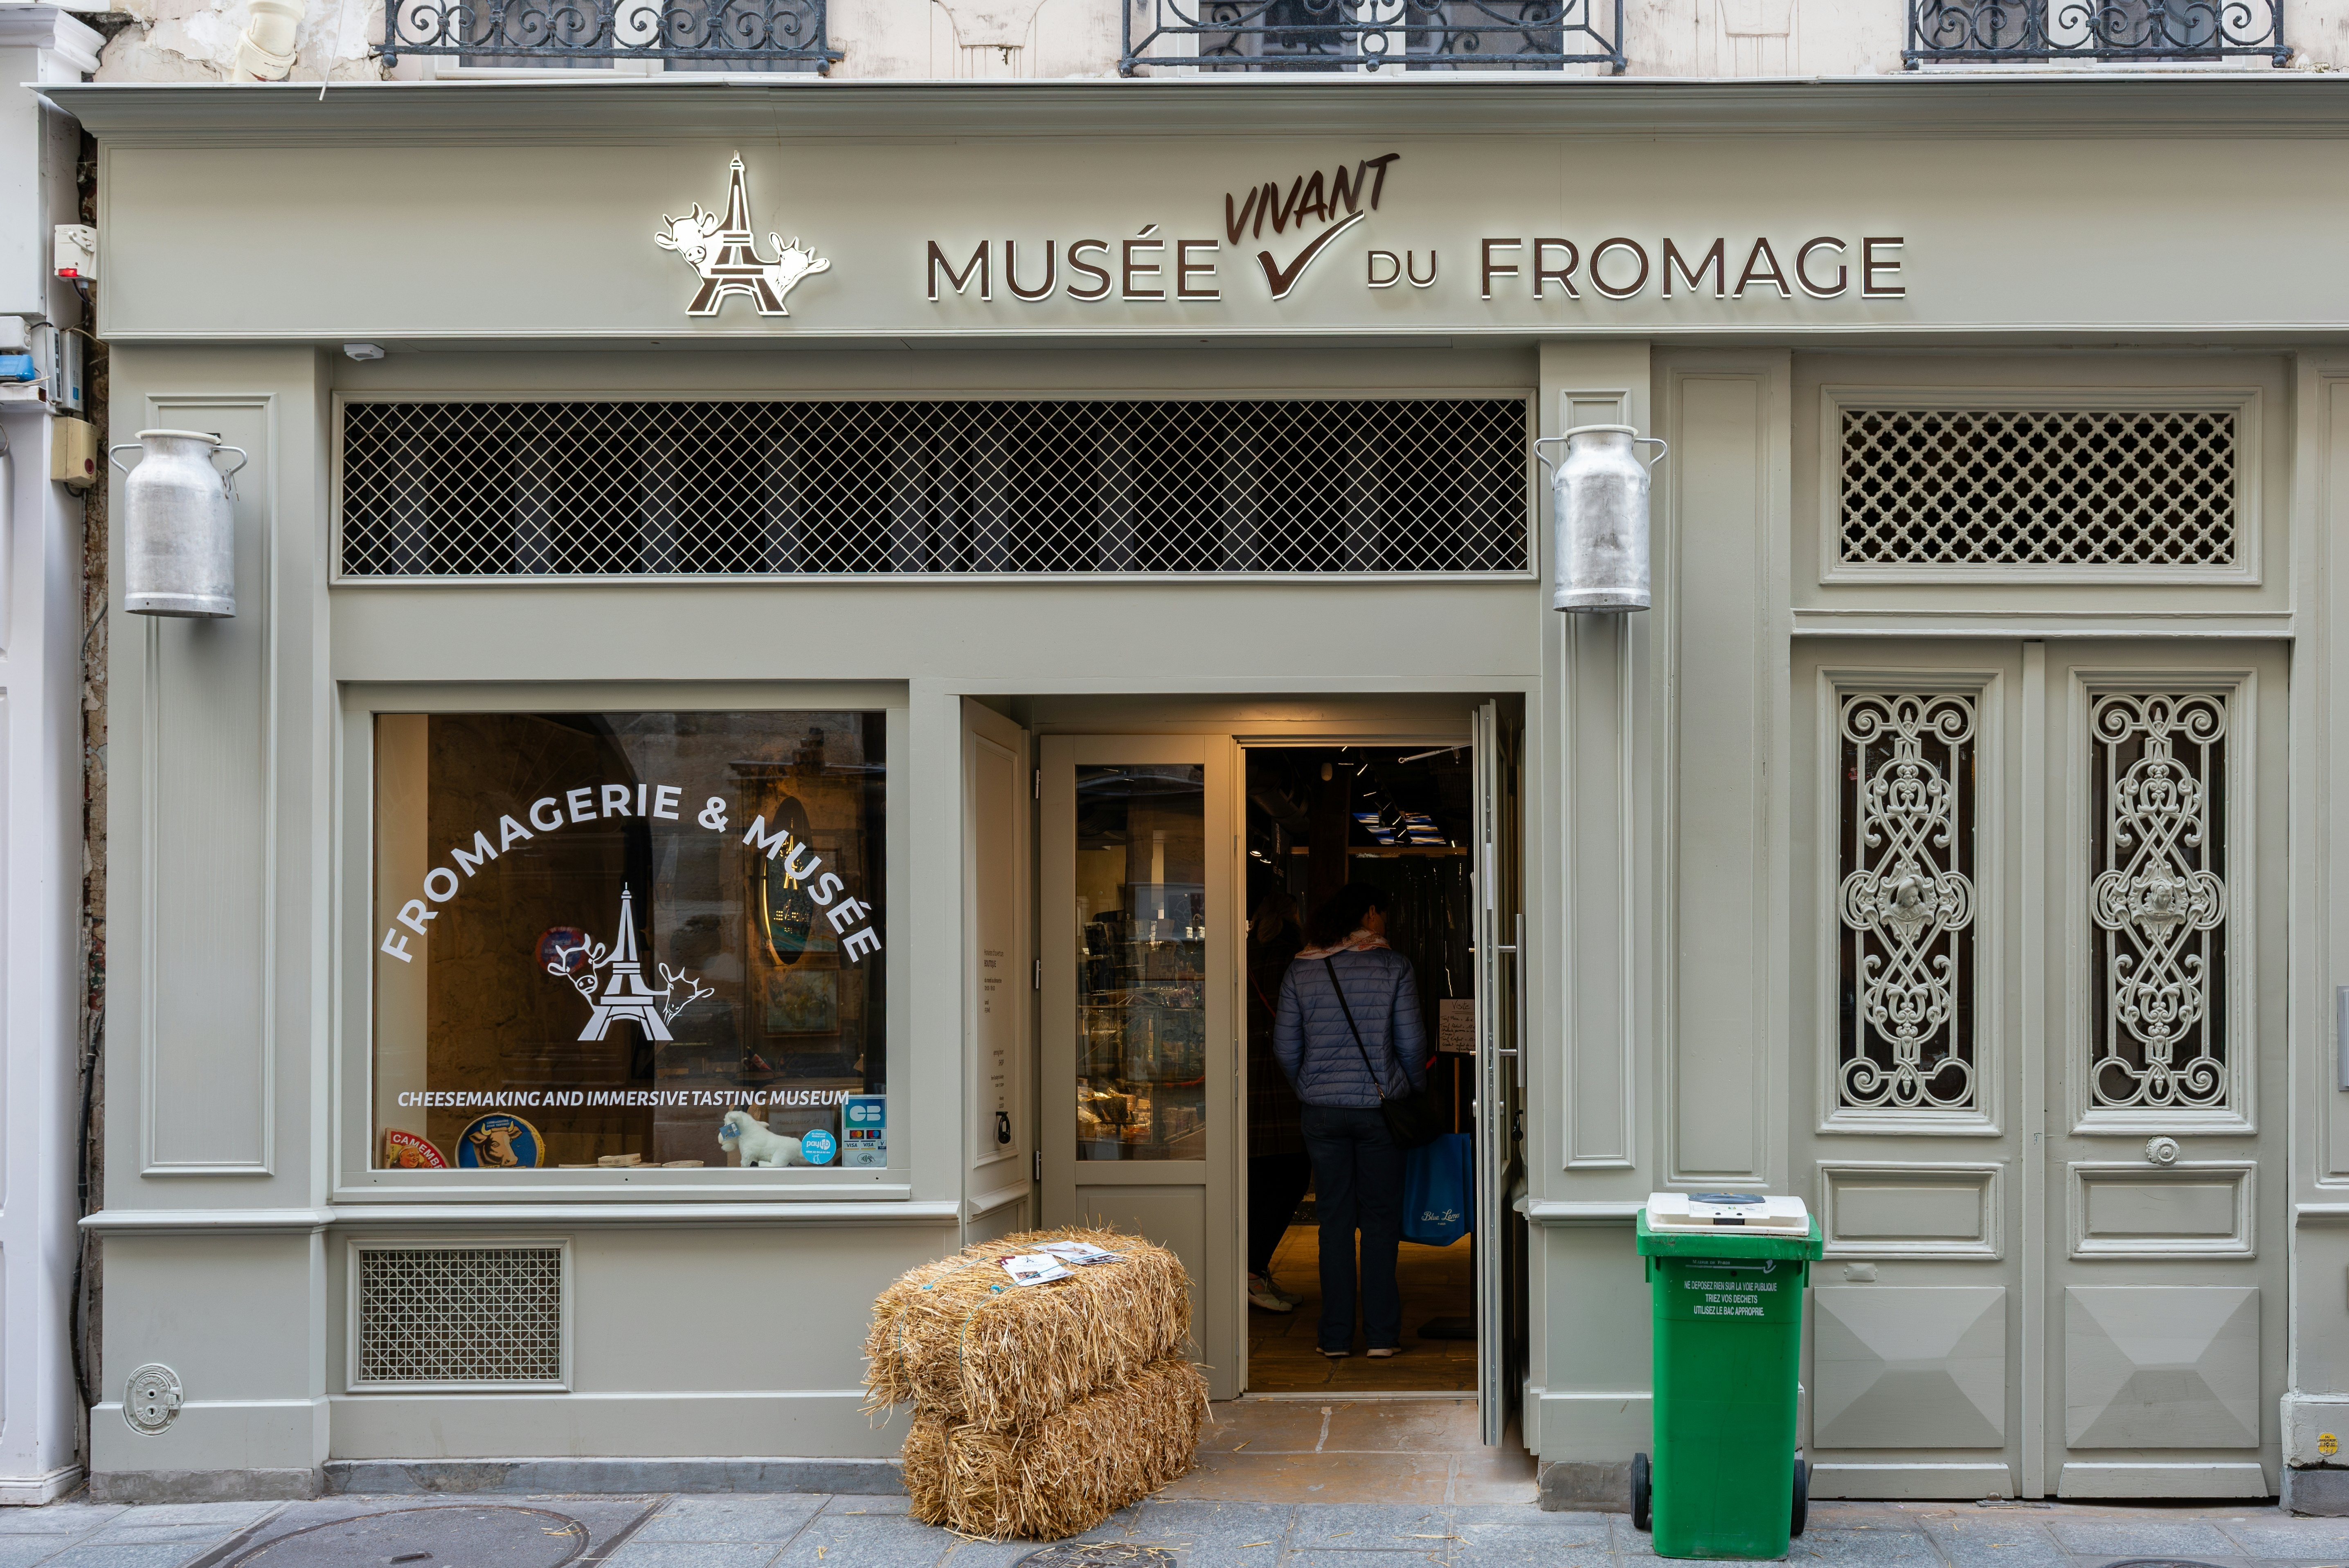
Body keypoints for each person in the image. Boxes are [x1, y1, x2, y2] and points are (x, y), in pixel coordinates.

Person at [1273, 882, 1426, 1359]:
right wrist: (1406, 1089)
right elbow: (1413, 1045)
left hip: (1321, 1110)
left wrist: (1309, 1089)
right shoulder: (1394, 966)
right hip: (1380, 1109)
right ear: (1371, 913)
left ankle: (1335, 1337)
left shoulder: (1301, 970)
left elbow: (1285, 1047)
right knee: (1380, 1222)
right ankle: (1382, 1336)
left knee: (1334, 1221)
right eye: (1382, 913)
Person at [1246, 889, 1309, 1314]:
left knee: (1257, 1177)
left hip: (1247, 1077)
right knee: (1290, 1174)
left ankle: (1254, 1268)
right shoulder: (1296, 959)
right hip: (1286, 1079)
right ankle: (1251, 1270)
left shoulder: (1242, 954)